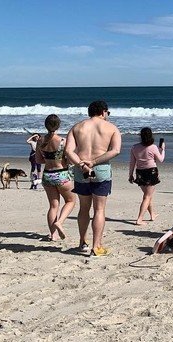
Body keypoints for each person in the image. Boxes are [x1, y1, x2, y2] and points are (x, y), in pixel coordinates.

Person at [64, 100, 121, 256]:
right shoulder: (111, 128)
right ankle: (97, 246)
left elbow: (69, 151)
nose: (108, 115)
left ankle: (82, 242)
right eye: (108, 112)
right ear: (103, 112)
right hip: (101, 169)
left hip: (81, 169)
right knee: (99, 209)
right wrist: (94, 161)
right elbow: (115, 150)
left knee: (83, 208)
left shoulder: (77, 127)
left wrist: (82, 165)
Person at [35, 114, 76, 241]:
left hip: (47, 174)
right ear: (58, 125)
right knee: (70, 201)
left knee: (53, 206)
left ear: (45, 125)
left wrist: (48, 159)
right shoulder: (63, 141)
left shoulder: (40, 141)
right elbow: (69, 159)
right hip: (62, 174)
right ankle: (60, 222)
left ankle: (53, 234)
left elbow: (38, 159)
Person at [128, 127, 165, 226]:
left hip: (140, 172)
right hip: (151, 171)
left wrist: (130, 174)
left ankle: (152, 214)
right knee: (147, 196)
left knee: (148, 196)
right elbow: (161, 159)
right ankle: (139, 219)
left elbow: (132, 162)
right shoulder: (153, 147)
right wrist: (163, 150)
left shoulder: (134, 147)